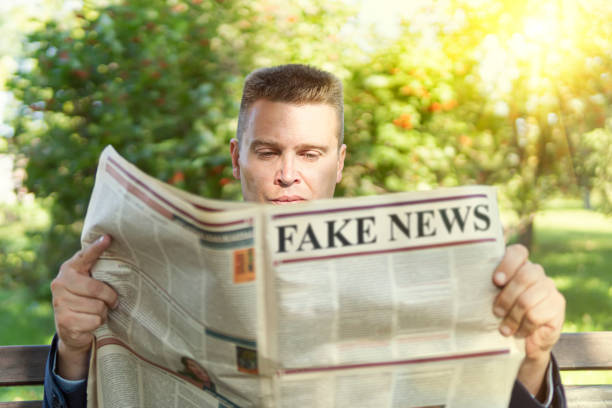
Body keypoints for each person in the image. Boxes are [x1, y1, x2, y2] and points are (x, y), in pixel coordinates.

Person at [43, 64, 566, 407]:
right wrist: (72, 350)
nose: (287, 175)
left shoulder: (408, 278)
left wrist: (536, 355)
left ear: (338, 164)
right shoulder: (163, 266)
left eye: (310, 154)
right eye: (268, 151)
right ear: (236, 158)